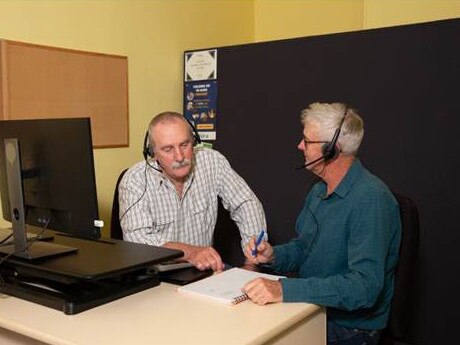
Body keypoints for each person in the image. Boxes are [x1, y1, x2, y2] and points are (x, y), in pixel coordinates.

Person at [243, 102, 401, 345]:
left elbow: (364, 288)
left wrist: (284, 291)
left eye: (306, 141)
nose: (299, 146)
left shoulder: (371, 199)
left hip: (349, 328)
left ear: (331, 150)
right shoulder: (319, 191)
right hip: (313, 309)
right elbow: (304, 248)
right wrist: (272, 256)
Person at [119, 111, 266, 272]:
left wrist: (251, 261)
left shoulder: (212, 162)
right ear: (152, 153)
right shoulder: (134, 180)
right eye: (168, 149)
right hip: (154, 276)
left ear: (194, 141)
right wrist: (190, 252)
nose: (180, 156)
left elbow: (246, 203)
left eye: (184, 145)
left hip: (203, 271)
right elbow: (136, 239)